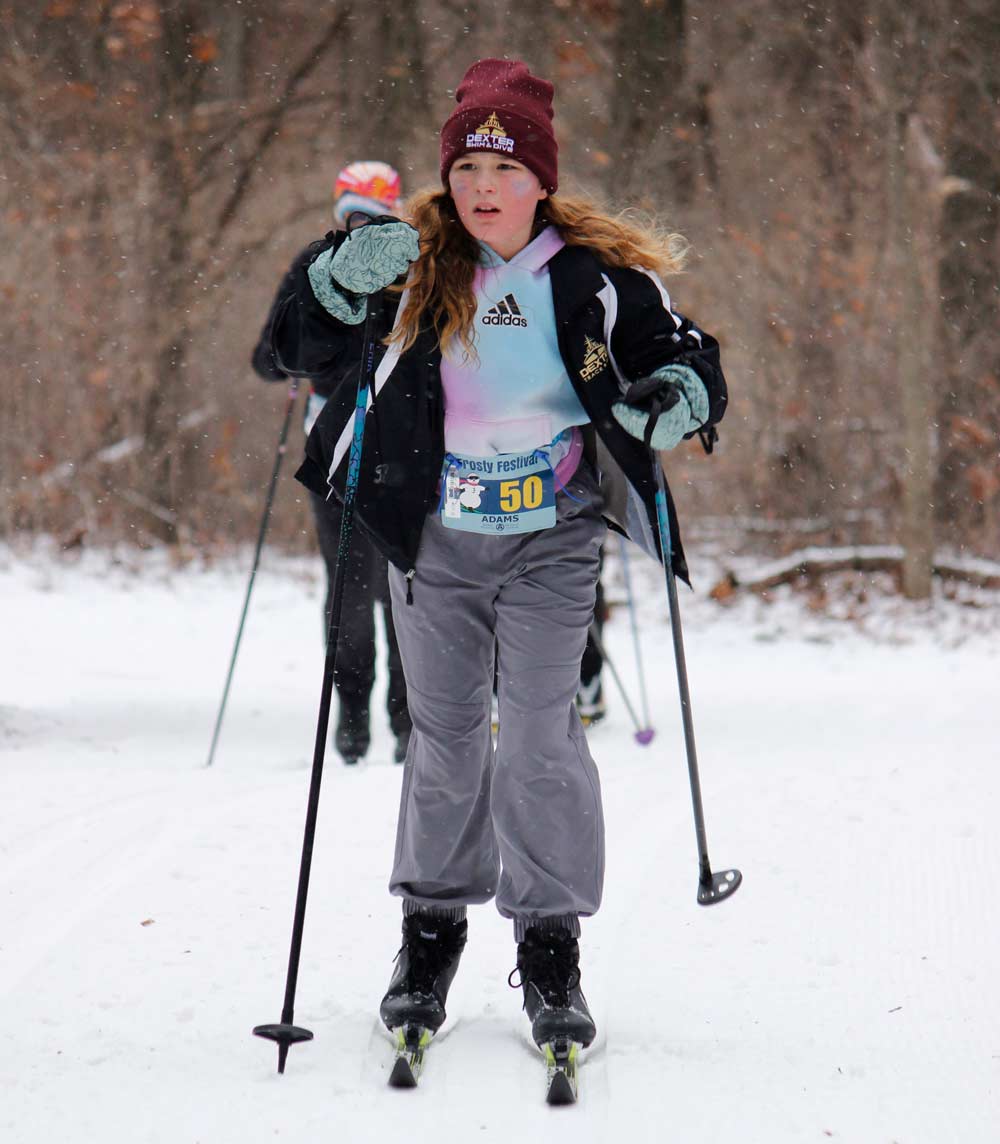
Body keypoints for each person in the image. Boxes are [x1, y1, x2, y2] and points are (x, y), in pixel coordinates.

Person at [271, 59, 728, 1055]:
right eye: (468, 166)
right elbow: (290, 350)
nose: (484, 187)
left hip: (550, 539)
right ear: (447, 176)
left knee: (535, 732)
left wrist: (687, 398)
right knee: (440, 738)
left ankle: (550, 940)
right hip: (433, 534)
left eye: (506, 168)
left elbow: (685, 352)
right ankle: (428, 934)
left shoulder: (596, 282)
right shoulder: (406, 265)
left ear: (542, 181)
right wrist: (329, 281)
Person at [251, 161, 412, 766]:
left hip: (353, 443)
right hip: (379, 444)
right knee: (398, 579)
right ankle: (397, 719)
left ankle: (360, 721)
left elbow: (269, 356)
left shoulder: (314, 260)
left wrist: (300, 361)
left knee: (356, 581)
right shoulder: (409, 260)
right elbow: (272, 355)